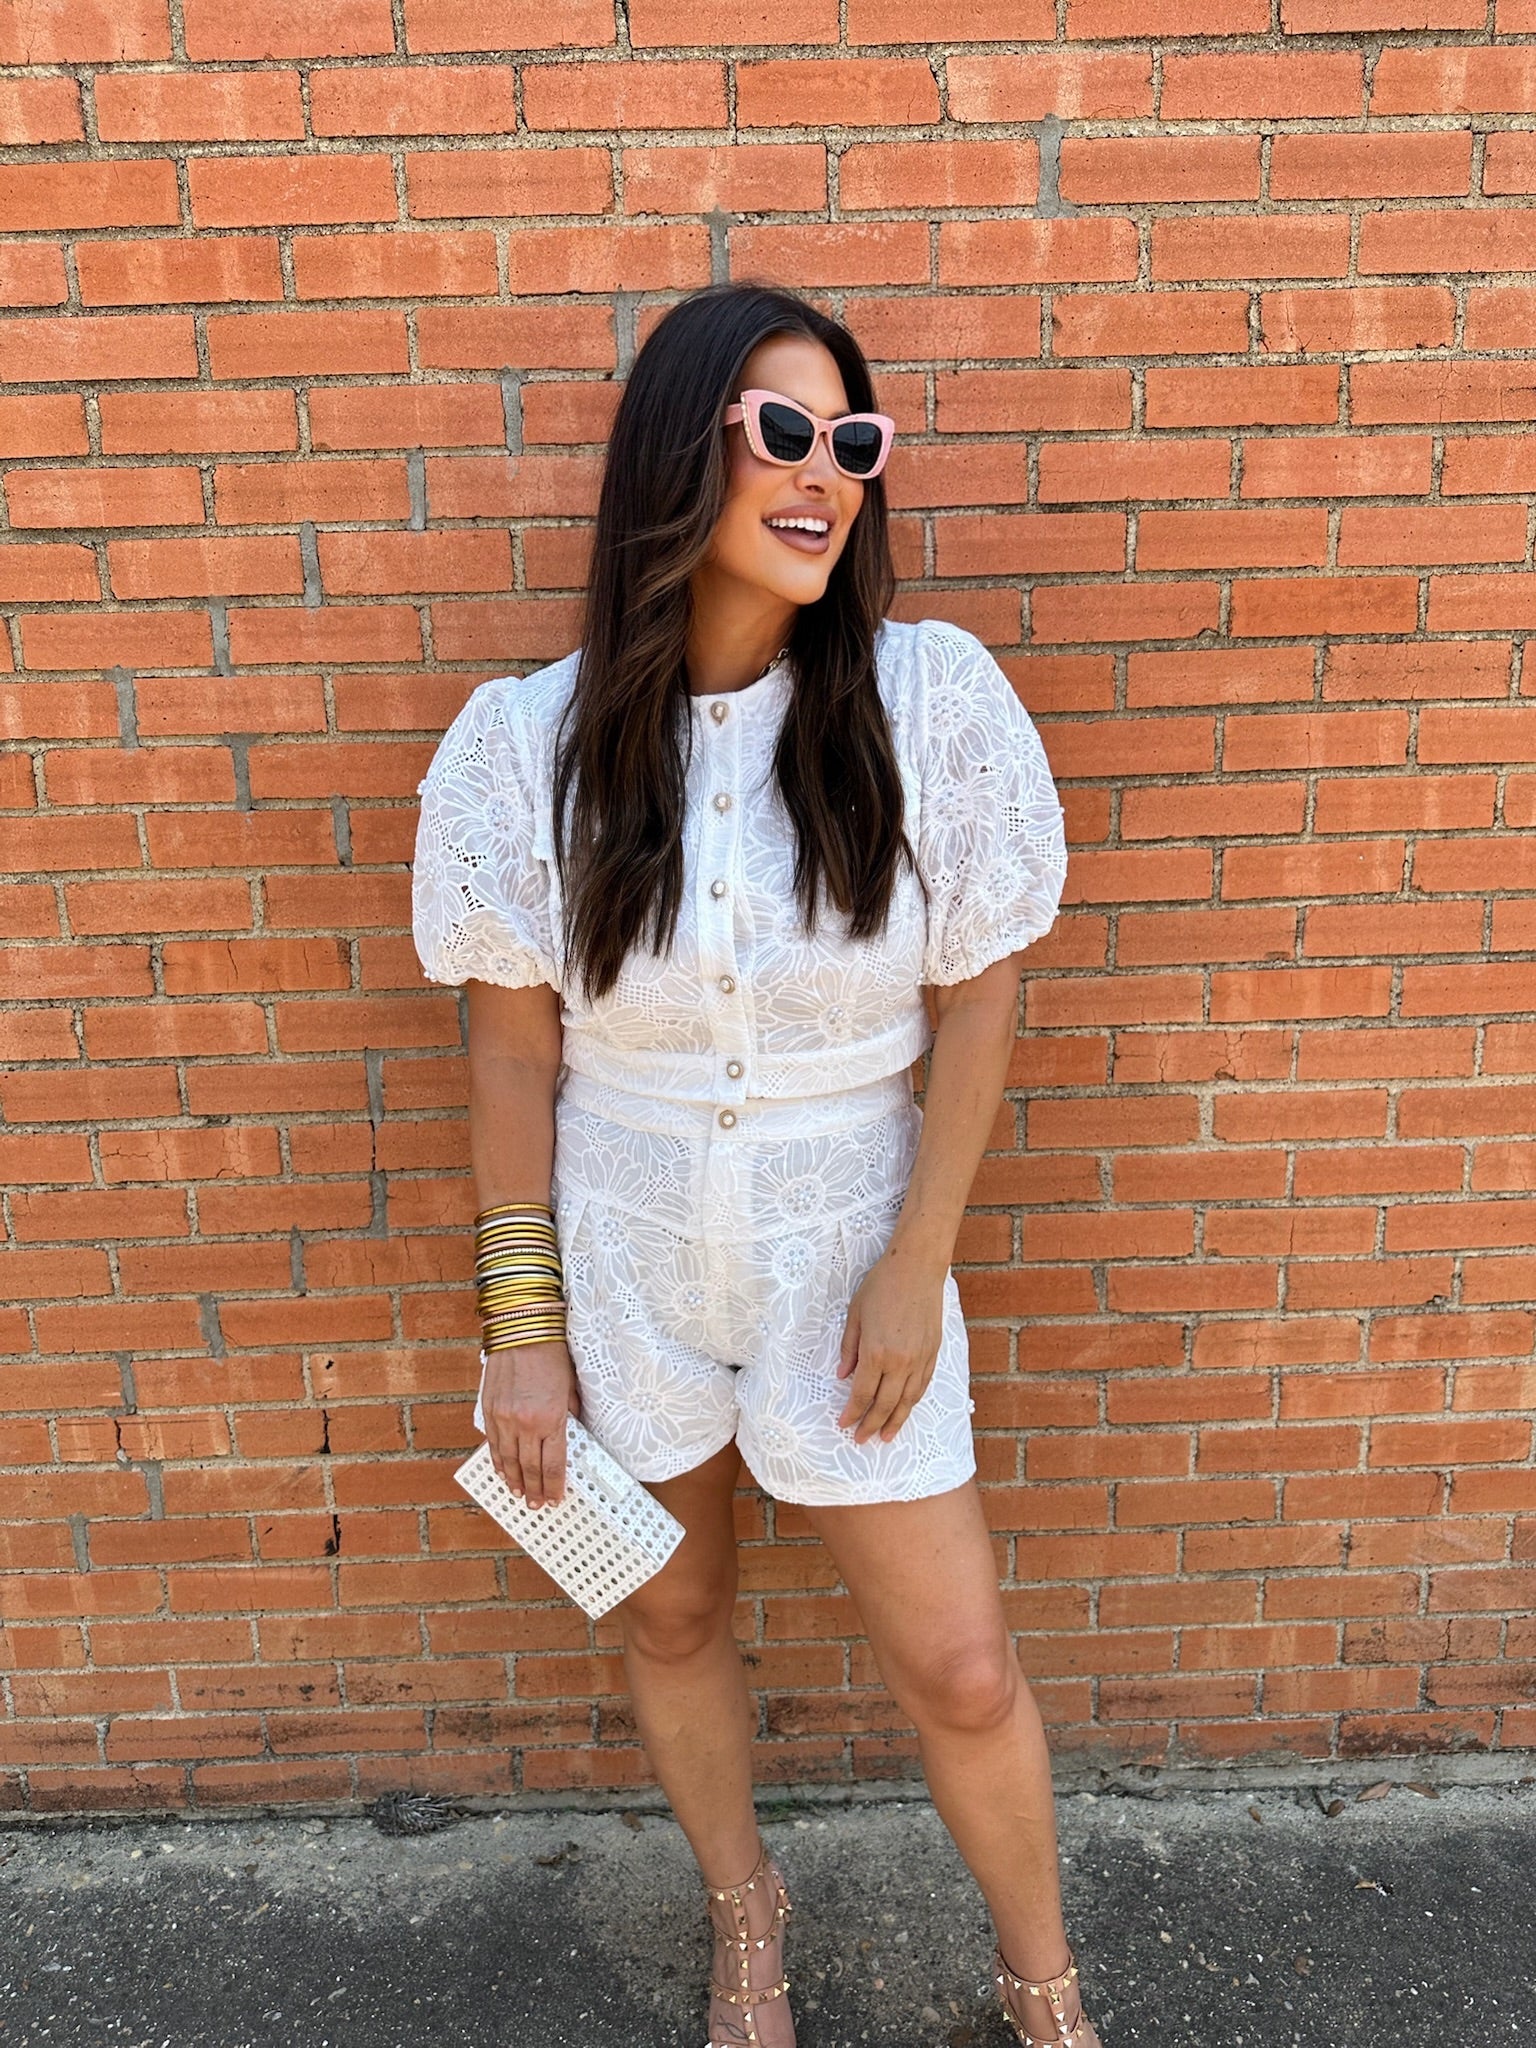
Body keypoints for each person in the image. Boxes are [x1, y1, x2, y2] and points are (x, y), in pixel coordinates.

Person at [411, 280, 1095, 2048]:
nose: (825, 475)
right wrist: (521, 1324)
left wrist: (917, 1264)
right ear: (679, 449)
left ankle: (1045, 1990)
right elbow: (511, 1056)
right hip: (625, 1252)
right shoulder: (526, 748)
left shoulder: (926, 705)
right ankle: (746, 1923)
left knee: (960, 1665)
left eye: (852, 443)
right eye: (783, 432)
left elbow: (981, 997)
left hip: (847, 1241)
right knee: (674, 1614)